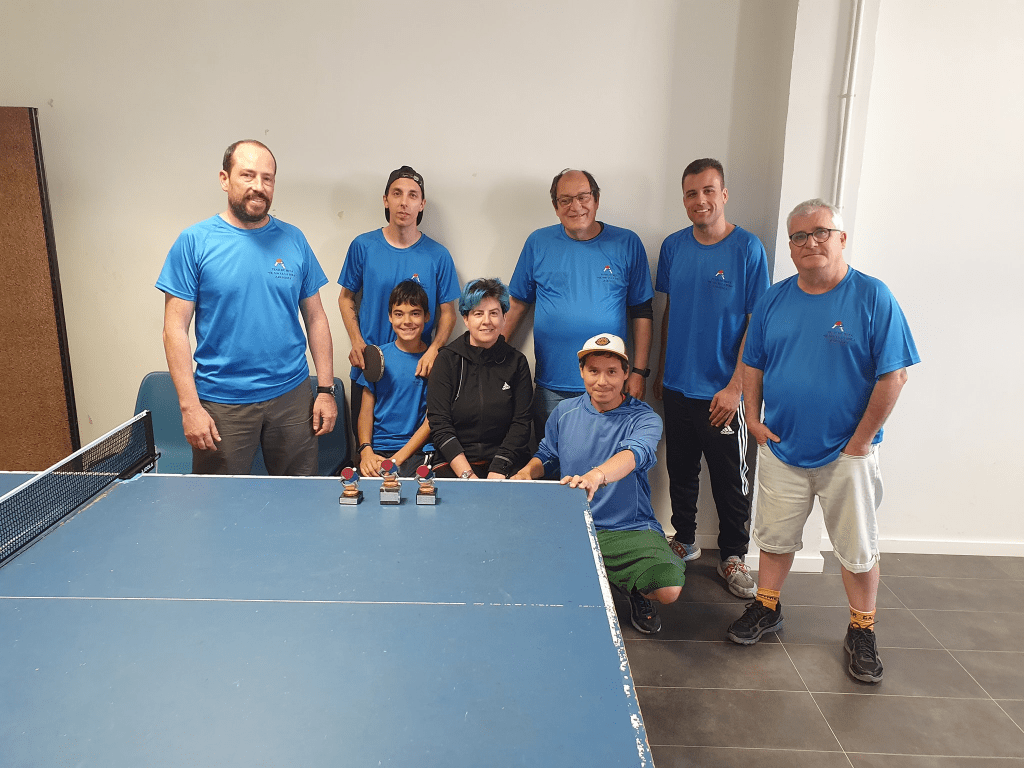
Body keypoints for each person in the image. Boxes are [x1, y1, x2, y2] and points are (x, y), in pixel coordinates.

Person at [727, 199, 920, 685]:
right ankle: (766, 608)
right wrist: (752, 417)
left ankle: (862, 629)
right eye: (799, 237)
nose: (810, 242)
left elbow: (893, 376)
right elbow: (753, 363)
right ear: (789, 248)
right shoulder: (774, 299)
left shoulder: (873, 297)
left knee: (857, 549)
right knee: (773, 539)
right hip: (782, 446)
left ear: (841, 238)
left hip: (847, 455)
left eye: (820, 232)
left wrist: (858, 443)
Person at [157, 140, 337, 475]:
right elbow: (174, 329)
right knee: (219, 507)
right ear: (225, 179)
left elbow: (316, 318)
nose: (259, 186)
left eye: (267, 178)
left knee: (300, 501)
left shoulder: (294, 239)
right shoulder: (194, 242)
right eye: (248, 175)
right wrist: (190, 407)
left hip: (292, 397)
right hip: (222, 402)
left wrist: (324, 390)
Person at [512, 333, 684, 635]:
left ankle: (631, 587)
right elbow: (547, 455)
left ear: (626, 374)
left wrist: (597, 475)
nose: (602, 381)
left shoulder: (645, 418)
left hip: (628, 527)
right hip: (574, 524)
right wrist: (528, 471)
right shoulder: (564, 413)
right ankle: (600, 574)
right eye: (594, 371)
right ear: (581, 372)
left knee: (668, 588)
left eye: (612, 372)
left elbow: (634, 454)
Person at [653, 158, 770, 598]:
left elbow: (756, 323)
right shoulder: (673, 247)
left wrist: (736, 387)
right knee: (680, 470)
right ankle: (683, 541)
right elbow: (671, 313)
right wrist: (664, 370)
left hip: (725, 391)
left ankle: (733, 556)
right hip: (678, 386)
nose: (699, 200)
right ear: (683, 199)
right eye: (690, 193)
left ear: (723, 195)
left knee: (730, 479)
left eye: (708, 190)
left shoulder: (747, 249)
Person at [504, 169, 654, 442]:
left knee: (606, 469)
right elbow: (517, 305)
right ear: (556, 207)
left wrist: (640, 373)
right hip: (553, 387)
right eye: (566, 200)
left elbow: (642, 312)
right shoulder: (538, 242)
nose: (576, 206)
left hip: (609, 385)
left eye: (583, 197)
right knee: (553, 469)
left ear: (596, 200)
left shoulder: (627, 243)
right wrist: (490, 359)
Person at [337, 166, 460, 454]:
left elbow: (449, 313)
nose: (404, 202)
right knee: (367, 455)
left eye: (412, 195)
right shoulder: (363, 246)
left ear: (422, 204)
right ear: (385, 200)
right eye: (397, 194)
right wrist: (357, 341)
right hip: (369, 369)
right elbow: (345, 298)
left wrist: (434, 350)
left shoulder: (438, 255)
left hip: (418, 371)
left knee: (415, 458)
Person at [427, 278, 533, 479]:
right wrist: (467, 475)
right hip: (455, 464)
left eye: (494, 313)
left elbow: (521, 424)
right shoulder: (446, 360)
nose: (487, 321)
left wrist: (498, 468)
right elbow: (440, 424)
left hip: (506, 464)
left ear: (503, 317)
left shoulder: (517, 363)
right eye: (478, 313)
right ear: (466, 319)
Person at [356, 281, 435, 477]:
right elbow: (366, 410)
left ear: (427, 316)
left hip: (418, 452)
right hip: (377, 451)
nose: (406, 321)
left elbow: (432, 420)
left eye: (415, 313)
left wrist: (395, 461)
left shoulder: (435, 361)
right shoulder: (377, 356)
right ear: (390, 317)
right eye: (399, 314)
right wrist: (366, 451)